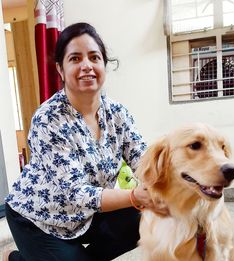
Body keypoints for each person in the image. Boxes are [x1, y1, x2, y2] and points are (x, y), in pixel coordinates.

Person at [4, 22, 168, 261]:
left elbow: (143, 159)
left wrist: (172, 181)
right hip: (39, 218)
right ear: (60, 69)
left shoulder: (117, 112)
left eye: (94, 57)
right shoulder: (48, 119)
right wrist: (135, 195)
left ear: (104, 64)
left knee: (146, 217)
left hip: (87, 215)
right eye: (75, 59)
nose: (87, 66)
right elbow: (76, 195)